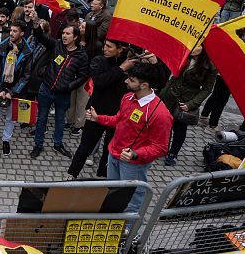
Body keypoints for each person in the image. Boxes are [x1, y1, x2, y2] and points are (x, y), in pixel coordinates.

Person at [86, 63, 172, 213]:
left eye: (131, 80)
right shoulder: (127, 97)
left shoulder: (160, 114)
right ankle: (113, 219)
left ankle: (130, 226)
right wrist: (98, 118)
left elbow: (161, 147)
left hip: (133, 165)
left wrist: (135, 154)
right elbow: (119, 120)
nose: (126, 81)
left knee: (132, 200)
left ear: (144, 85)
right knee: (112, 192)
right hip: (114, 154)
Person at [66, 40, 132, 178]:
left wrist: (153, 62)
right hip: (95, 113)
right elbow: (100, 81)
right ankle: (71, 175)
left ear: (120, 49)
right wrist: (121, 69)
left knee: (109, 150)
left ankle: (102, 176)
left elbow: (155, 81)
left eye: (109, 46)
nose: (104, 49)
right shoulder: (98, 60)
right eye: (105, 45)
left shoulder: (130, 63)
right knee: (85, 148)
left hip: (117, 116)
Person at [29, 18, 89, 159]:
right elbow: (40, 36)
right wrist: (35, 23)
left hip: (63, 94)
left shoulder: (81, 55)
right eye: (63, 33)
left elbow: (83, 76)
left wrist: (69, 86)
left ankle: (58, 144)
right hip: (46, 89)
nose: (64, 36)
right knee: (41, 118)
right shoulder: (56, 45)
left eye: (68, 34)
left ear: (75, 37)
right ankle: (38, 145)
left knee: (60, 120)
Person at [161, 47, 217, 166]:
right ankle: (163, 148)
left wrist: (191, 104)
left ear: (204, 49)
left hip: (186, 100)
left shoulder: (210, 67)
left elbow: (207, 89)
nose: (194, 47)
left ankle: (173, 153)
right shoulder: (183, 55)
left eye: (199, 46)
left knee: (180, 128)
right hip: (170, 95)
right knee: (165, 124)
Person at [0, 20, 32, 156]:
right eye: (10, 30)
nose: (11, 33)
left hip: (15, 90)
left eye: (15, 31)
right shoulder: (1, 47)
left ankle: (6, 140)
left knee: (11, 119)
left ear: (22, 33)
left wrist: (13, 92)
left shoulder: (28, 51)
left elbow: (26, 76)